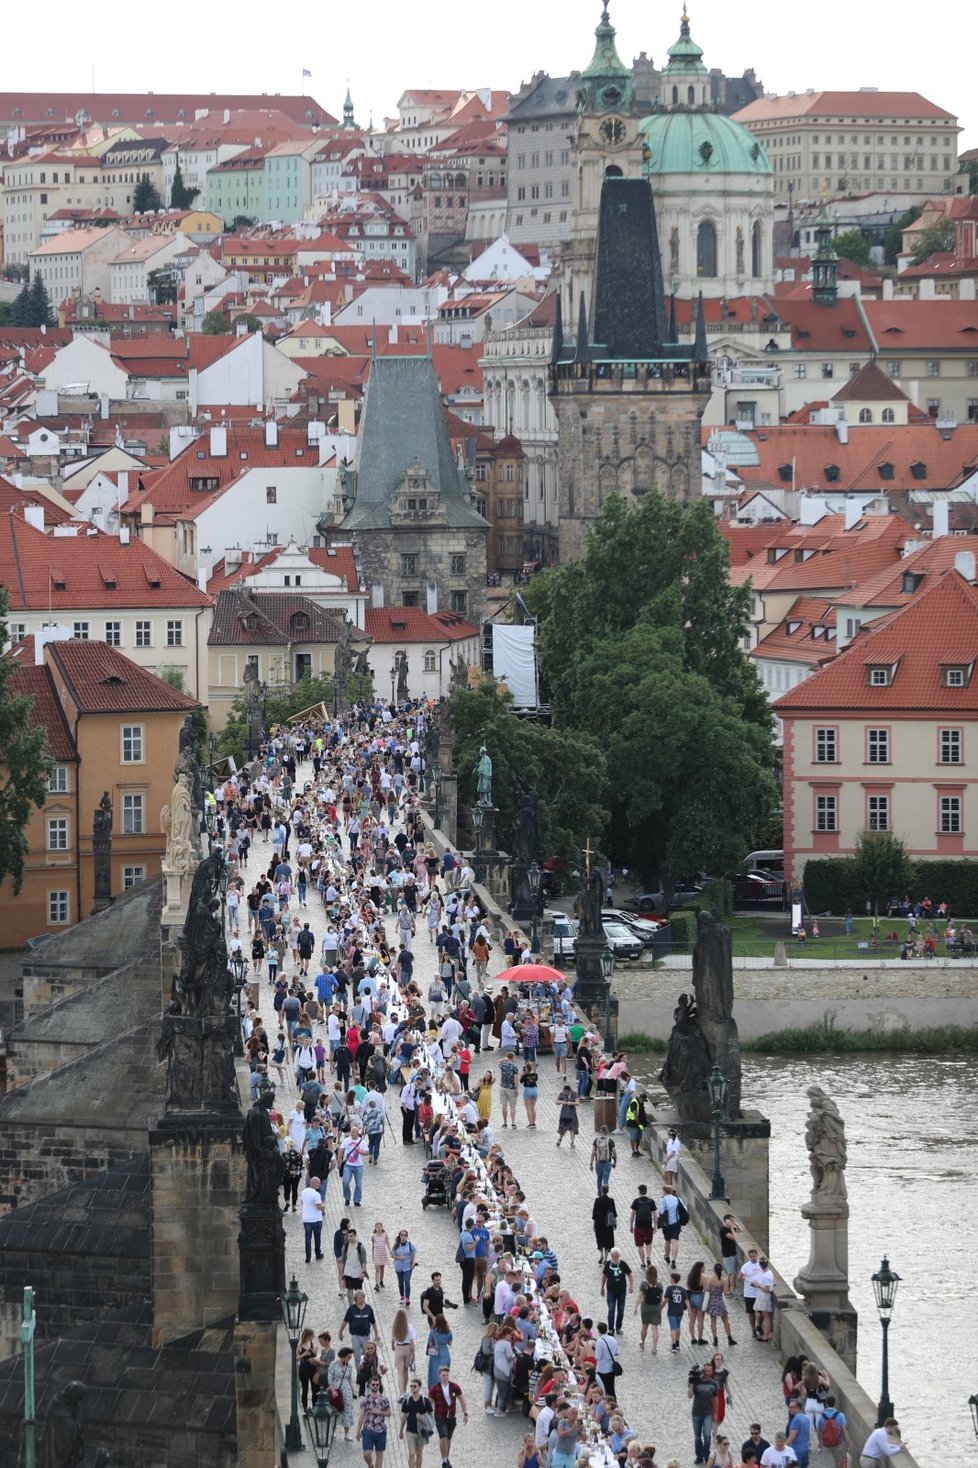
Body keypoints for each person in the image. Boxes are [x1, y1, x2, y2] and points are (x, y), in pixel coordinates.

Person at [428, 1363, 468, 1468]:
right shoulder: (434, 1388)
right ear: (439, 1376)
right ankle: (444, 1460)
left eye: (447, 1375)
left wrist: (465, 1413)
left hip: (451, 1417)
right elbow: (430, 1403)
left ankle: (446, 1458)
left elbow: (462, 1400)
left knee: (448, 1439)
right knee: (443, 1436)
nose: (445, 1377)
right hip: (440, 1416)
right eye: (443, 1375)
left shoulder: (454, 1387)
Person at [356, 1374, 392, 1468]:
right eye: (373, 1384)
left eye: (377, 1384)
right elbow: (361, 1416)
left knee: (379, 1454)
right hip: (368, 1429)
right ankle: (370, 1465)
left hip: (381, 1430)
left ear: (379, 1385)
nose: (375, 1386)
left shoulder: (384, 1399)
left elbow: (389, 1413)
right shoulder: (365, 1399)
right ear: (369, 1385)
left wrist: (378, 1412)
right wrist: (358, 1431)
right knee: (366, 1454)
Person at [689, 1360, 719, 1465]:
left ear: (712, 1372)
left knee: (707, 1435)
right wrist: (691, 1383)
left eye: (709, 1371)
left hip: (707, 1413)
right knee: (697, 1436)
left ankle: (706, 1456)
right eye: (705, 1371)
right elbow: (690, 1395)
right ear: (702, 1371)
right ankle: (699, 1456)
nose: (707, 1373)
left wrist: (715, 1413)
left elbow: (715, 1399)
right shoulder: (696, 1381)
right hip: (696, 1413)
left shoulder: (713, 1384)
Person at [340, 1290, 380, 1366]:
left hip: (366, 1336)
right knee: (357, 1357)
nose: (362, 1299)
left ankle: (367, 1371)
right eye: (360, 1298)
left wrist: (376, 1334)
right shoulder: (351, 1309)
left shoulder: (368, 1308)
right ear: (356, 1299)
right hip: (355, 1336)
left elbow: (373, 1322)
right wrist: (340, 1332)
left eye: (363, 1297)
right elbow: (345, 1321)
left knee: (367, 1355)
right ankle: (359, 1373)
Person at [399, 1377, 431, 1468]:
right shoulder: (407, 1401)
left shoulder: (425, 1401)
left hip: (421, 1431)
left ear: (419, 1387)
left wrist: (422, 1418)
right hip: (410, 1431)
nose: (412, 1388)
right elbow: (404, 1416)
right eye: (411, 1386)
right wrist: (401, 1430)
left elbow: (430, 1416)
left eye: (414, 1386)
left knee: (419, 1453)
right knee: (412, 1453)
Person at [329, 1347, 357, 1442]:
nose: (350, 1359)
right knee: (334, 1410)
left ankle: (347, 1433)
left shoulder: (349, 1367)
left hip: (347, 1391)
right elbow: (329, 1379)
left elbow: (349, 1380)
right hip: (336, 1390)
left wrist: (353, 1391)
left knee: (347, 1410)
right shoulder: (333, 1364)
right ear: (343, 1356)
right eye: (349, 1357)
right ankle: (333, 1431)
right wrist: (333, 1390)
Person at [602, 1248, 633, 1334]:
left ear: (619, 1256)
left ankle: (618, 1328)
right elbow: (604, 1276)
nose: (615, 1257)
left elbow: (630, 1274)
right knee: (611, 1310)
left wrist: (631, 1285)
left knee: (621, 1310)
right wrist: (602, 1287)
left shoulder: (623, 1264)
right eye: (613, 1256)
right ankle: (611, 1328)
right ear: (611, 1256)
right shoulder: (608, 1264)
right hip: (611, 1291)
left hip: (621, 1291)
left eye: (617, 1255)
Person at [635, 1264, 663, 1353]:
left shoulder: (644, 1283)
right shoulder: (659, 1284)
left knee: (644, 1327)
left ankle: (642, 1343)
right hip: (656, 1308)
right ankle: (654, 1348)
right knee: (655, 1329)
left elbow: (639, 1297)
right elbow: (661, 1299)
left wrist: (636, 1307)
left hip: (645, 1307)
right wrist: (659, 1307)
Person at [706, 1262, 736, 1346]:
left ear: (714, 1270)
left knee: (713, 1321)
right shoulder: (724, 1280)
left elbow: (707, 1289)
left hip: (711, 1301)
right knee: (725, 1320)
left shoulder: (710, 1278)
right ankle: (729, 1338)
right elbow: (726, 1293)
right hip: (719, 1301)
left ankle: (715, 1339)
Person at [630, 1184, 656, 1267]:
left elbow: (633, 1214)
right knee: (648, 1243)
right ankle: (648, 1257)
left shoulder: (636, 1201)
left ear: (639, 1191)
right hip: (648, 1226)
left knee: (640, 1245)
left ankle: (643, 1262)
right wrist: (655, 1226)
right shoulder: (651, 1201)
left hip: (638, 1226)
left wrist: (631, 1225)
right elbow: (655, 1214)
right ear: (646, 1191)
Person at [391, 1308, 416, 1394]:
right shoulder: (410, 1327)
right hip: (408, 1348)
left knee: (400, 1372)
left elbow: (393, 1340)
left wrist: (393, 1346)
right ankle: (404, 1390)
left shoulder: (395, 1327)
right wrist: (414, 1355)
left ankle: (401, 1392)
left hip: (398, 1348)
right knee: (405, 1371)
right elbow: (412, 1343)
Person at [657, 1184, 684, 1267]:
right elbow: (684, 1209)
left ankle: (667, 1256)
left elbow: (661, 1211)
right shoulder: (677, 1199)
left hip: (666, 1224)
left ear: (665, 1191)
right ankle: (673, 1260)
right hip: (676, 1223)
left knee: (667, 1241)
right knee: (674, 1241)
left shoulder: (663, 1200)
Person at [740, 1247, 763, 1338]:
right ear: (749, 1257)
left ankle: (759, 1326)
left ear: (757, 1255)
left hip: (760, 1292)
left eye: (754, 1256)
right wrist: (744, 1278)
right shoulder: (745, 1266)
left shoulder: (761, 1264)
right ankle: (753, 1329)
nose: (753, 1258)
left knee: (761, 1312)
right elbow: (740, 1276)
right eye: (751, 1257)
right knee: (751, 1312)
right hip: (749, 1293)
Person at [425, 1314, 453, 1389]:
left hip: (436, 1354)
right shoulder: (448, 1331)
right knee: (444, 1372)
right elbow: (449, 1343)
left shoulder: (433, 1331)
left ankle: (435, 1388)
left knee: (434, 1372)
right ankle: (444, 1386)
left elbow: (430, 1344)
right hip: (445, 1353)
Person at [301, 1175, 325, 1262]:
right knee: (317, 1237)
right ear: (313, 1183)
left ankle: (308, 1256)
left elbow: (302, 1202)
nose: (319, 1184)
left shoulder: (304, 1192)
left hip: (306, 1219)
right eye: (318, 1183)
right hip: (316, 1219)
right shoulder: (316, 1194)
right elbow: (319, 1207)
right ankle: (318, 1253)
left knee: (308, 1238)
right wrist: (323, 1206)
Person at [594, 1321, 620, 1397]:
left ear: (598, 1330)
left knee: (603, 1390)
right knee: (611, 1389)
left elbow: (597, 1357)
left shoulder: (600, 1341)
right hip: (611, 1369)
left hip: (602, 1369)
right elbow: (617, 1352)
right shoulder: (612, 1339)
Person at [392, 1230, 419, 1307]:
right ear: (399, 1236)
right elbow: (392, 1255)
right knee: (400, 1282)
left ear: (407, 1236)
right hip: (399, 1266)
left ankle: (407, 1298)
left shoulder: (410, 1245)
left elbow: (413, 1254)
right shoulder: (396, 1245)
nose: (403, 1236)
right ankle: (402, 1296)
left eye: (405, 1235)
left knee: (407, 1281)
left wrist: (413, 1263)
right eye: (402, 1235)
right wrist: (398, 1257)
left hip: (408, 1267)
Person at [592, 1187, 618, 1263]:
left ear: (601, 1191)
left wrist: (594, 1224)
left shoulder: (597, 1200)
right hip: (608, 1224)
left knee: (600, 1239)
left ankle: (601, 1255)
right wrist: (614, 1223)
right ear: (608, 1191)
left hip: (599, 1223)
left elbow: (594, 1213)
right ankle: (606, 1258)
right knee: (608, 1241)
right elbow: (614, 1213)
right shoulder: (611, 1201)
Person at [665, 1271, 688, 1352]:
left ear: (673, 1279)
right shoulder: (682, 1289)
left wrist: (661, 1307)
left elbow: (666, 1300)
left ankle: (674, 1345)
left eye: (671, 1278)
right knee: (678, 1326)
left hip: (672, 1311)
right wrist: (690, 1311)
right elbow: (686, 1300)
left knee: (673, 1328)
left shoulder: (669, 1289)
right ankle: (678, 1343)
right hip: (680, 1311)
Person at [590, 1126, 617, 1193]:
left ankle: (599, 1192)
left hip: (598, 1163)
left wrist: (591, 1164)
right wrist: (615, 1161)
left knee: (599, 1178)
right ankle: (605, 1193)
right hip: (607, 1163)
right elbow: (614, 1152)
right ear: (607, 1131)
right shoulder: (610, 1141)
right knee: (606, 1179)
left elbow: (593, 1153)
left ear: (600, 1131)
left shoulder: (596, 1140)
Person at [687, 1260, 708, 1345]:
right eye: (704, 1266)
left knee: (692, 1319)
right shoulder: (703, 1277)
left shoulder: (690, 1276)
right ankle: (700, 1338)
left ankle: (693, 1338)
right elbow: (706, 1289)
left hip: (691, 1296)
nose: (705, 1268)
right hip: (700, 1296)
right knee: (700, 1319)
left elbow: (688, 1286)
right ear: (701, 1268)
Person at [786, 1400, 812, 1468]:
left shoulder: (796, 1420)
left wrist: (783, 1446)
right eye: (789, 1407)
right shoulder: (806, 1418)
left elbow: (792, 1437)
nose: (790, 1409)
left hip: (797, 1450)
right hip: (805, 1448)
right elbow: (808, 1434)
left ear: (798, 1408)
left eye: (792, 1407)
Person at [719, 1214, 740, 1291]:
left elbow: (741, 1230)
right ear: (726, 1221)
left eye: (732, 1220)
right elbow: (733, 1237)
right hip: (728, 1255)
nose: (731, 1222)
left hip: (733, 1253)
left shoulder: (731, 1228)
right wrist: (731, 1227)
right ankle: (733, 1290)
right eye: (730, 1220)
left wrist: (735, 1223)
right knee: (732, 1273)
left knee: (731, 1273)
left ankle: (727, 1290)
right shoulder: (723, 1230)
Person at [372, 1221, 392, 1290]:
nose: (379, 1228)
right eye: (377, 1227)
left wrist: (390, 1251)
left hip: (383, 1253)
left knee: (382, 1268)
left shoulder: (385, 1235)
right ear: (375, 1228)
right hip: (376, 1254)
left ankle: (381, 1281)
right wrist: (373, 1255)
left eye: (380, 1227)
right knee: (377, 1269)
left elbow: (388, 1243)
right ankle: (376, 1284)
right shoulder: (373, 1236)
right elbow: (373, 1246)